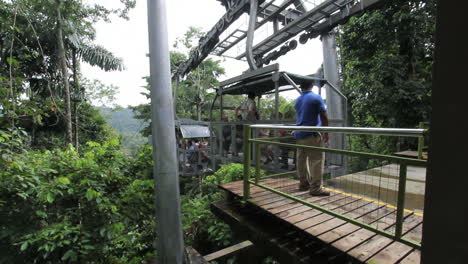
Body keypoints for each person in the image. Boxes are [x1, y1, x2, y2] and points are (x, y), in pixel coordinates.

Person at [294, 79, 330, 196]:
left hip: (299, 134)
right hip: (312, 135)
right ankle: (315, 188)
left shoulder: (297, 100)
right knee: (316, 160)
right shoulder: (316, 97)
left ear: (301, 87)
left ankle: (303, 184)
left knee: (302, 161)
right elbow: (324, 116)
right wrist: (326, 132)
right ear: (312, 85)